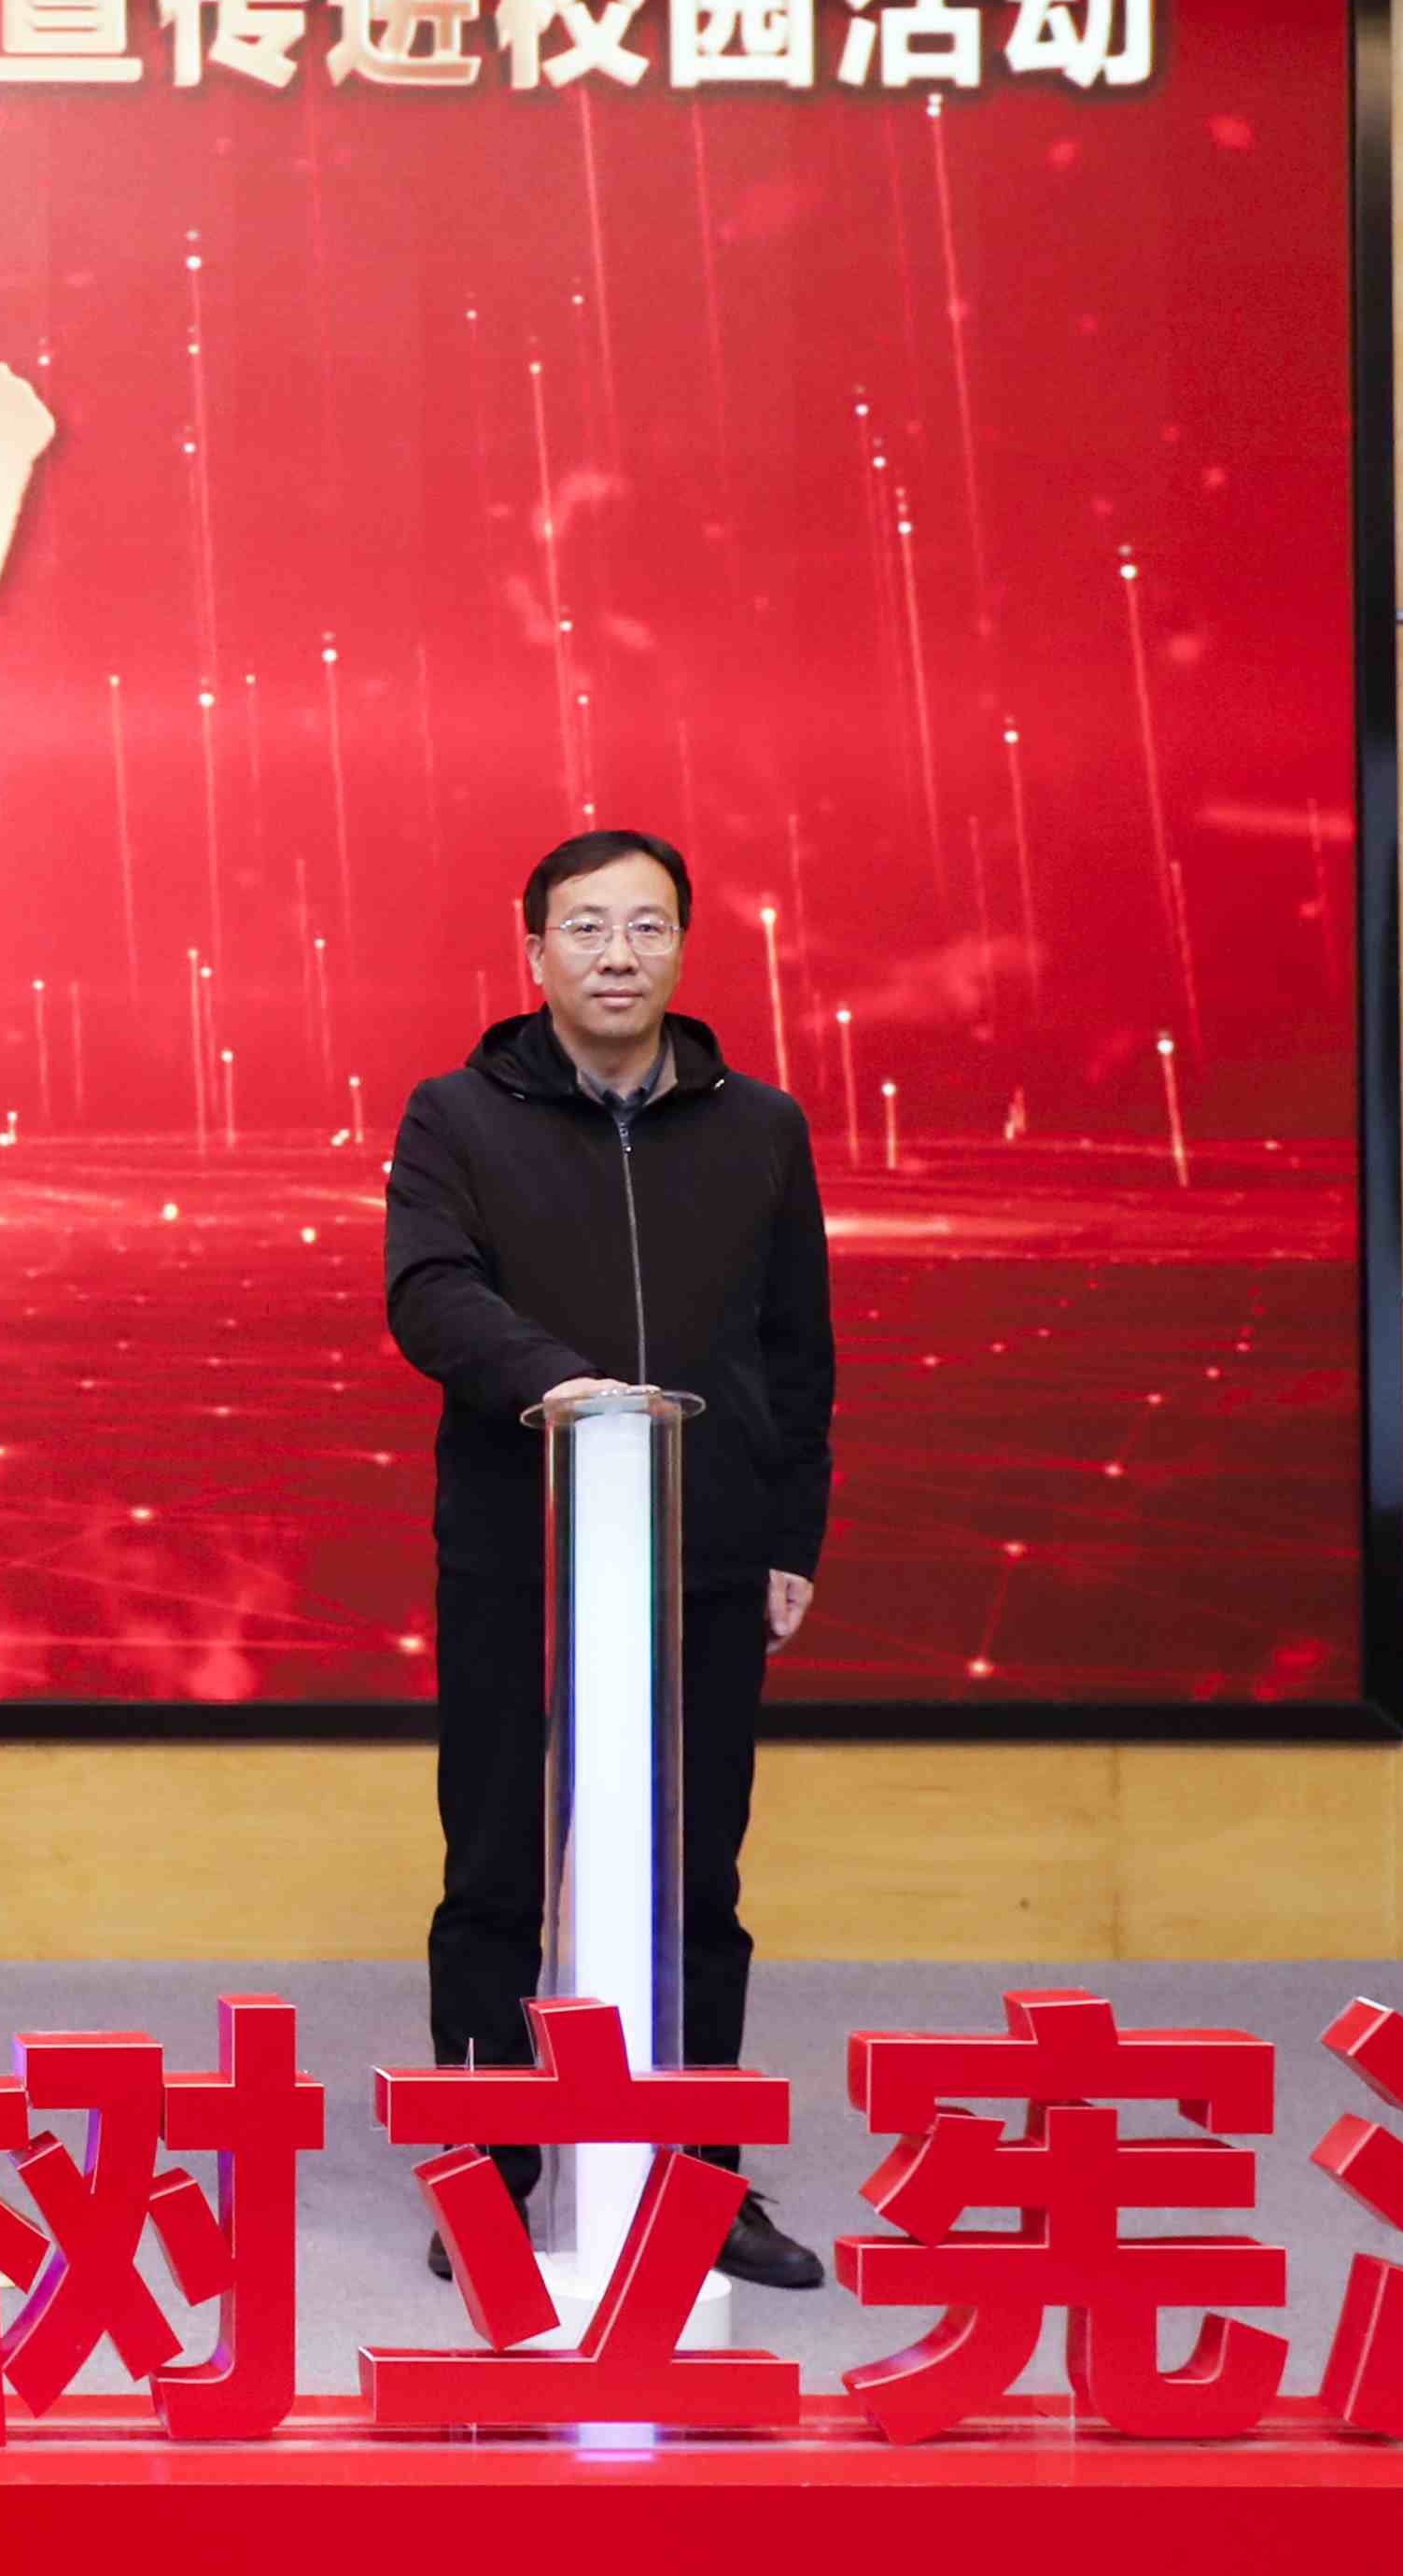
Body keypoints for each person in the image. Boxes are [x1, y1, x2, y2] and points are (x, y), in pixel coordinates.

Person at [384, 824, 836, 2291]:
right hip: (517, 1551)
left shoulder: (760, 1128)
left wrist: (788, 1534)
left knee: (695, 1880)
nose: (616, 954)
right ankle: (486, 2168)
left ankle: (698, 2168)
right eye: (584, 928)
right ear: (534, 954)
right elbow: (425, 1292)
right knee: (495, 1872)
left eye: (645, 927)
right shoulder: (456, 1115)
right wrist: (560, 1386)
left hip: (704, 1552)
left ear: (683, 949)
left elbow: (798, 1352)